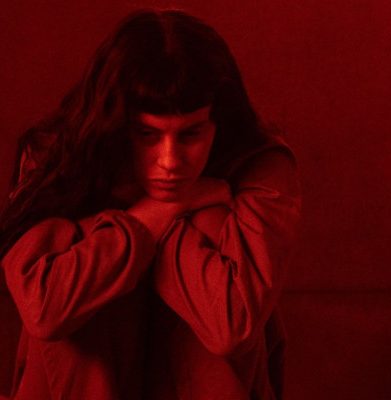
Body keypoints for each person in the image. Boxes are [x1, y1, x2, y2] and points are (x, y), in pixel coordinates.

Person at [0, 9, 301, 400]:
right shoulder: (59, 156)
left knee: (212, 225)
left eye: (191, 134)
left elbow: (232, 323)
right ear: (115, 125)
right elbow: (45, 310)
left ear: (218, 123)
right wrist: (154, 214)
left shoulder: (260, 164)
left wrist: (174, 224)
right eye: (146, 134)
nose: (170, 161)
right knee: (80, 272)